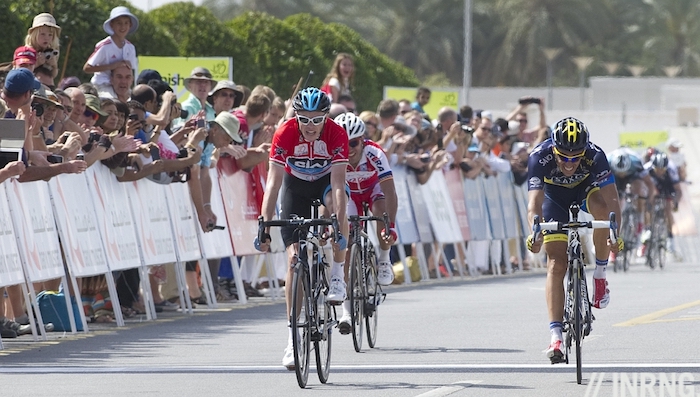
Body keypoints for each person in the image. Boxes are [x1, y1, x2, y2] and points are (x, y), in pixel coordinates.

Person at [254, 87, 349, 370]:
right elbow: (272, 183)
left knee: (334, 202)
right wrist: (264, 224)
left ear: (325, 117)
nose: (309, 126)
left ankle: (337, 275)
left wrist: (339, 224)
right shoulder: (284, 133)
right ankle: (292, 338)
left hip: (324, 186)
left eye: (316, 119)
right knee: (294, 260)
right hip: (295, 187)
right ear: (296, 116)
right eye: (304, 119)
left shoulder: (336, 134)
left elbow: (340, 186)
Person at [525, 117, 622, 364]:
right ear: (554, 149)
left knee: (601, 211)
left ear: (584, 152)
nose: (569, 163)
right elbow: (534, 204)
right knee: (557, 264)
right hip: (554, 198)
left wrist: (615, 235)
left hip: (585, 190)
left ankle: (599, 275)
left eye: (576, 158)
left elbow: (613, 202)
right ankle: (555, 336)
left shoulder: (596, 156)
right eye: (563, 157)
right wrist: (534, 234)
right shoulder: (539, 156)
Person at [333, 112, 397, 334]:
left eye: (354, 143)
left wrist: (391, 227)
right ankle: (347, 313)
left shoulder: (375, 153)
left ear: (363, 140)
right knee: (347, 243)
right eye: (344, 143)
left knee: (380, 211)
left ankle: (384, 258)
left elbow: (389, 191)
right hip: (351, 195)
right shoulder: (335, 154)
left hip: (373, 191)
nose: (349, 149)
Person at [83, 6, 139, 99]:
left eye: (126, 23)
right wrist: (111, 66)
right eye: (119, 23)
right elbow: (87, 68)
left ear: (130, 25)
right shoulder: (104, 46)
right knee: (111, 104)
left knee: (135, 102)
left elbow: (130, 71)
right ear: (112, 25)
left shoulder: (131, 47)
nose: (123, 27)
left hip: (121, 86)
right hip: (102, 85)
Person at [607, 147, 656, 245]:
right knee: (615, 197)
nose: (622, 175)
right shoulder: (607, 162)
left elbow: (650, 184)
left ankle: (639, 220)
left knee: (639, 190)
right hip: (613, 174)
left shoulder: (636, 163)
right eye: (620, 173)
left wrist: (648, 201)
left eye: (623, 173)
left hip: (633, 174)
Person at [642, 152, 682, 255]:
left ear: (666, 168)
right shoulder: (646, 168)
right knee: (648, 203)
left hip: (667, 185)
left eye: (662, 170)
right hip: (652, 184)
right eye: (657, 169)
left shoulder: (671, 169)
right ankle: (648, 230)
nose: (659, 172)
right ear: (653, 166)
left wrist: (675, 202)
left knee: (668, 209)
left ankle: (670, 239)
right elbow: (641, 186)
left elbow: (678, 189)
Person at [25, 13, 61, 81]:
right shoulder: (27, 51)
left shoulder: (52, 51)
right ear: (34, 35)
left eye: (50, 35)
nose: (46, 38)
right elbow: (22, 72)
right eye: (42, 34)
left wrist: (54, 65)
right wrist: (37, 63)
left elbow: (53, 75)